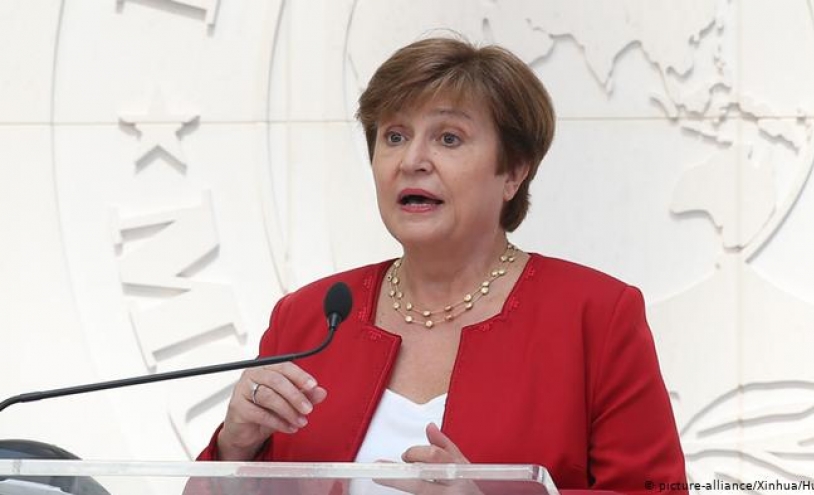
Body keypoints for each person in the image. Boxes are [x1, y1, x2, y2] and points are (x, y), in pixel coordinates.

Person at [197, 36, 687, 493]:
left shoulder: (596, 317)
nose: (412, 160)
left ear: (513, 172)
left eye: (448, 139)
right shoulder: (308, 318)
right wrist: (233, 448)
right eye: (394, 136)